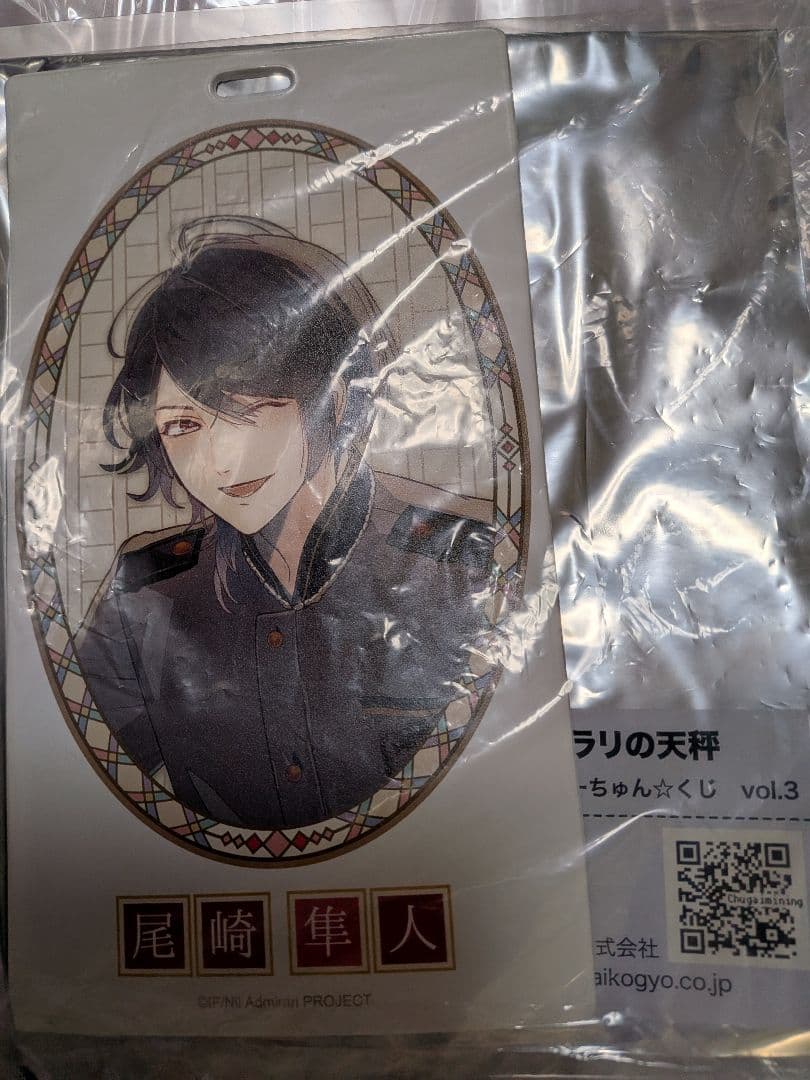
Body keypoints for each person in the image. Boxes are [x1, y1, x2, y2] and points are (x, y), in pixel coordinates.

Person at [76, 218, 495, 831]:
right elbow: (81, 772)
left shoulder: (461, 560)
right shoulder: (145, 591)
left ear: (337, 396)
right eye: (182, 426)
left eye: (247, 412)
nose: (218, 461)